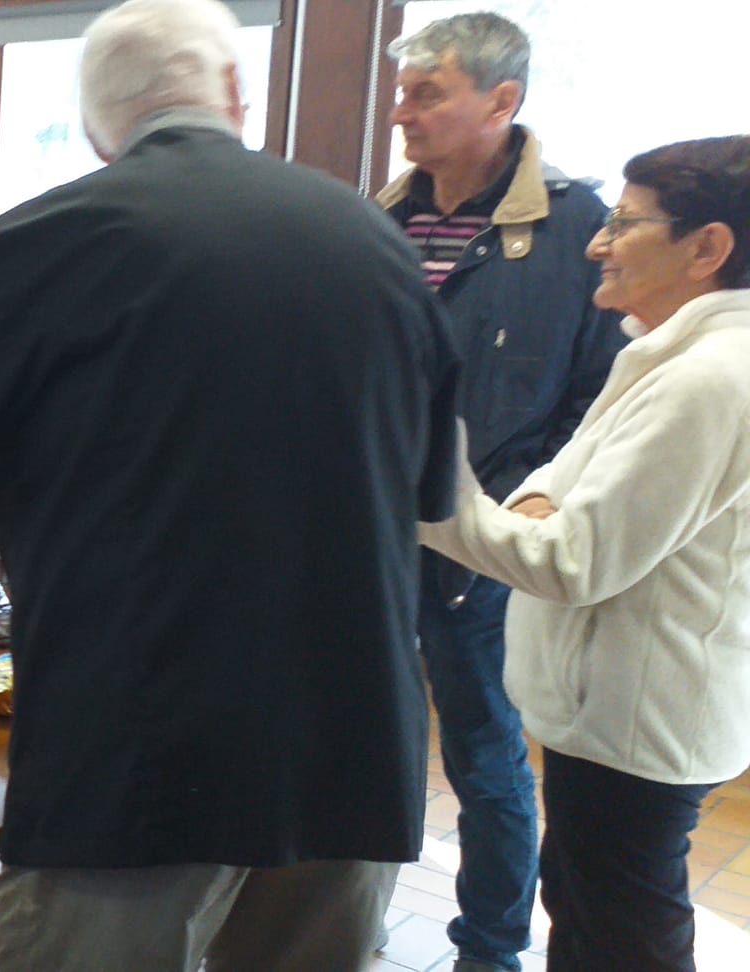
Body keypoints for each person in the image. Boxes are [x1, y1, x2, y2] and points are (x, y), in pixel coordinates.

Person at [0, 1, 461, 968]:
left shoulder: (40, 247)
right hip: (353, 747)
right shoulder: (377, 248)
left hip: (138, 754)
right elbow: (429, 492)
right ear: (236, 94)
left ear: (93, 125)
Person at [421, 135, 750, 972]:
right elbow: (549, 496)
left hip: (640, 723)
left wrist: (429, 482)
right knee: (590, 904)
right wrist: (522, 517)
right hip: (618, 717)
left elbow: (568, 559)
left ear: (709, 247)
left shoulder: (707, 379)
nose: (597, 243)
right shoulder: (666, 355)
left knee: (622, 933)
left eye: (626, 224)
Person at [373, 14, 628, 969]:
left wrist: (523, 504)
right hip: (374, 534)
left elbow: (600, 400)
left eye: (426, 93)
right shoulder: (381, 219)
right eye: (402, 93)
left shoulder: (577, 231)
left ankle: (489, 947)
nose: (402, 113)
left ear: (502, 100)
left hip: (483, 550)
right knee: (364, 738)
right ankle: (350, 914)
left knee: (483, 759)